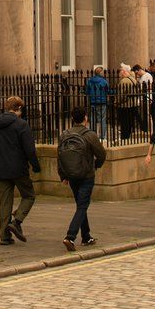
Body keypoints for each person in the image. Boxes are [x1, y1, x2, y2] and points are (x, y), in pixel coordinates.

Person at [0, 95, 41, 244]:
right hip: (18, 167)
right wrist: (36, 166)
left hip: (1, 167)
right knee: (29, 195)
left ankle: (4, 237)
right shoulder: (22, 125)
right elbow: (30, 150)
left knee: (5, 203)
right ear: (19, 108)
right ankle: (17, 221)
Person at [58, 105, 106, 252]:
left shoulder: (64, 134)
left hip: (72, 176)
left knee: (80, 204)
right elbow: (102, 154)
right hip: (86, 175)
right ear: (85, 118)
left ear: (72, 119)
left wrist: (63, 176)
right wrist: (95, 165)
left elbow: (59, 157)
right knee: (82, 206)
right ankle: (70, 236)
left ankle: (86, 236)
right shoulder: (90, 135)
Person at [85, 66, 110, 140]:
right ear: (100, 72)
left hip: (93, 102)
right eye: (103, 72)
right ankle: (102, 137)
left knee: (92, 119)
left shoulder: (89, 81)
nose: (104, 73)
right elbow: (107, 91)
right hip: (102, 102)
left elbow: (87, 92)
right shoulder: (104, 81)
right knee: (102, 120)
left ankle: (93, 136)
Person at [116, 64, 139, 140]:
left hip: (124, 106)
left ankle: (124, 139)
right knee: (129, 124)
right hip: (133, 105)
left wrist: (116, 102)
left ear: (124, 71)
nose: (119, 73)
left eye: (120, 71)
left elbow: (121, 95)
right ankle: (127, 138)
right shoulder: (133, 79)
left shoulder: (123, 81)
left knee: (124, 124)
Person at [133, 63, 154, 130]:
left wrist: (140, 89)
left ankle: (150, 129)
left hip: (147, 98)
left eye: (137, 73)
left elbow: (149, 87)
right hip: (142, 98)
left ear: (139, 70)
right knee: (144, 114)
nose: (137, 74)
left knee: (147, 114)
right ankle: (146, 127)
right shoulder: (142, 77)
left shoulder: (147, 75)